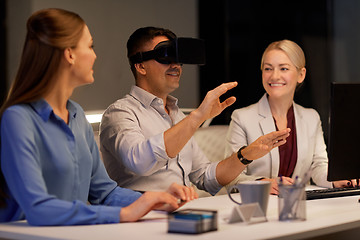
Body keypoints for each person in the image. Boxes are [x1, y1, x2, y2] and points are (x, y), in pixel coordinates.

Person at [0, 8, 195, 226]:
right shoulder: (18, 119)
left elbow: (105, 193)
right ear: (70, 54)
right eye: (90, 46)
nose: (95, 55)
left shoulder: (76, 115)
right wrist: (124, 215)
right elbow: (38, 208)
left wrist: (154, 199)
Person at [99, 26, 290, 195]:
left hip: (182, 214)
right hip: (139, 221)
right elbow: (139, 161)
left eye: (178, 57)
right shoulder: (119, 113)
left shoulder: (177, 116)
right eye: (165, 55)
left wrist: (246, 154)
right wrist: (197, 117)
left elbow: (205, 176)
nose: (176, 65)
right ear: (140, 66)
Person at [224, 39, 353, 195]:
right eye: (268, 69)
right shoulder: (241, 117)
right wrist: (262, 183)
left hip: (299, 206)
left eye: (283, 68)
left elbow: (319, 166)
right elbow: (229, 177)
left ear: (301, 74)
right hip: (259, 205)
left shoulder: (311, 117)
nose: (274, 76)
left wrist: (336, 180)